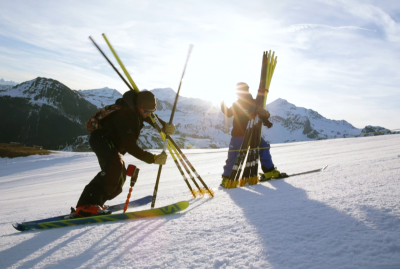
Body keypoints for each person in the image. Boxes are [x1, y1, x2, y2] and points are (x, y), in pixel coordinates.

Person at [74, 90, 175, 217]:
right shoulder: (124, 115)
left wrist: (165, 126)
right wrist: (153, 159)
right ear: (138, 106)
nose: (148, 114)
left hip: (111, 143)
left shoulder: (138, 110)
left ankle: (96, 203)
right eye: (146, 111)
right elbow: (131, 147)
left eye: (151, 111)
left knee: (120, 177)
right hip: (101, 140)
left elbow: (151, 118)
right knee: (114, 167)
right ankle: (85, 205)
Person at [220, 82, 281, 187]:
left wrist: (266, 116)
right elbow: (229, 113)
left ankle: (269, 171)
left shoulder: (254, 103)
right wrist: (222, 104)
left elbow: (263, 114)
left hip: (252, 133)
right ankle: (227, 178)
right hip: (241, 134)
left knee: (263, 147)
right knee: (234, 155)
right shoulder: (239, 104)